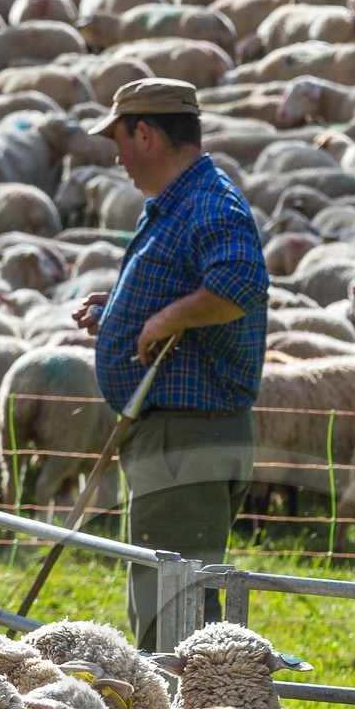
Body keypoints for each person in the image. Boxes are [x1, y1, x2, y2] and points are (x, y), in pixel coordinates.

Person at [73, 78, 268, 651]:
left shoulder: (209, 200)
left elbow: (239, 283)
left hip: (186, 436)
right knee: (163, 597)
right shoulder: (181, 201)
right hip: (172, 434)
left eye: (119, 138)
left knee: (176, 615)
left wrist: (162, 322)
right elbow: (194, 288)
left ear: (146, 133)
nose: (117, 156)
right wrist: (119, 314)